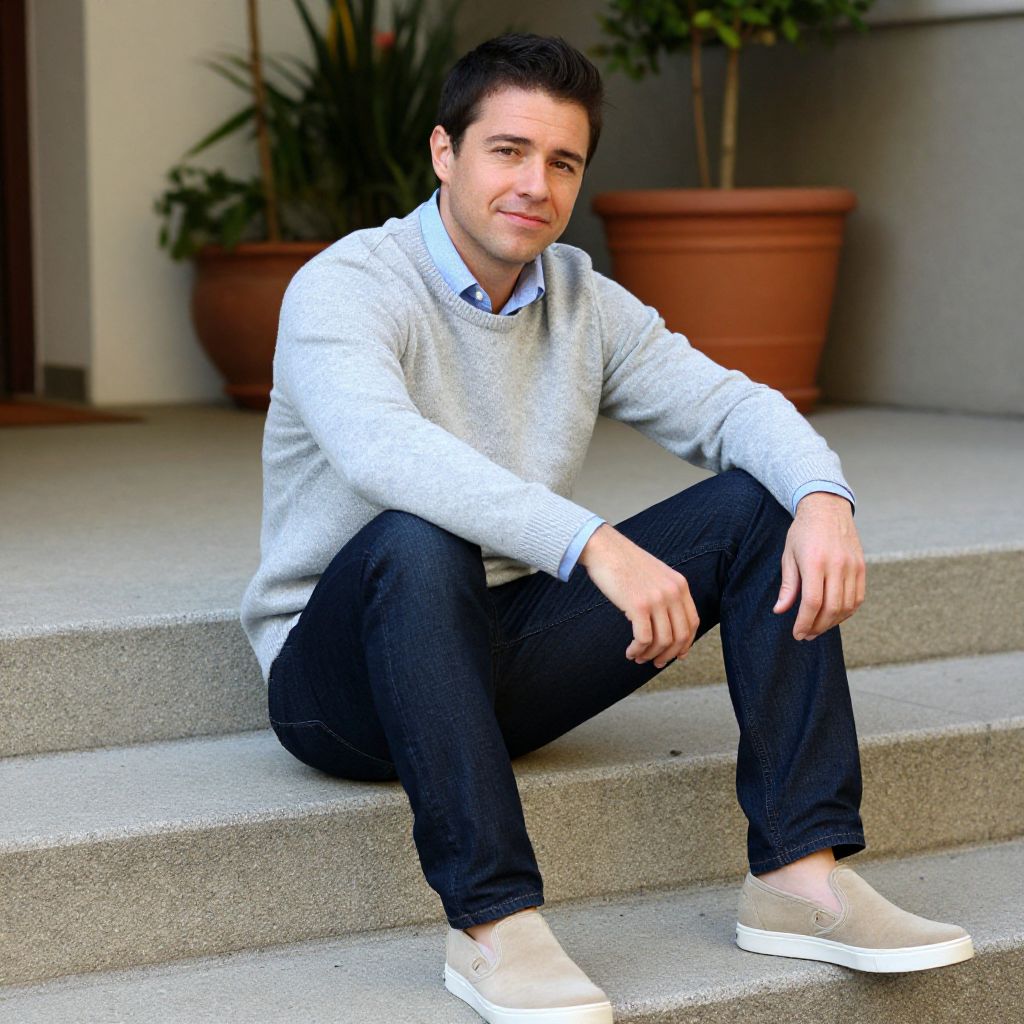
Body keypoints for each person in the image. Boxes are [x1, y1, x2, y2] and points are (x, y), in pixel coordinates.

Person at [240, 32, 973, 1024]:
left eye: (562, 162)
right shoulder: (347, 284)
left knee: (760, 503)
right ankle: (494, 925)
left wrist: (823, 497)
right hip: (344, 686)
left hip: (497, 660)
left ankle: (799, 879)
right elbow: (383, 451)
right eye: (507, 151)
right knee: (417, 535)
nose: (534, 185)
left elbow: (727, 406)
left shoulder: (582, 299)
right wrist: (593, 543)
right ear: (444, 152)